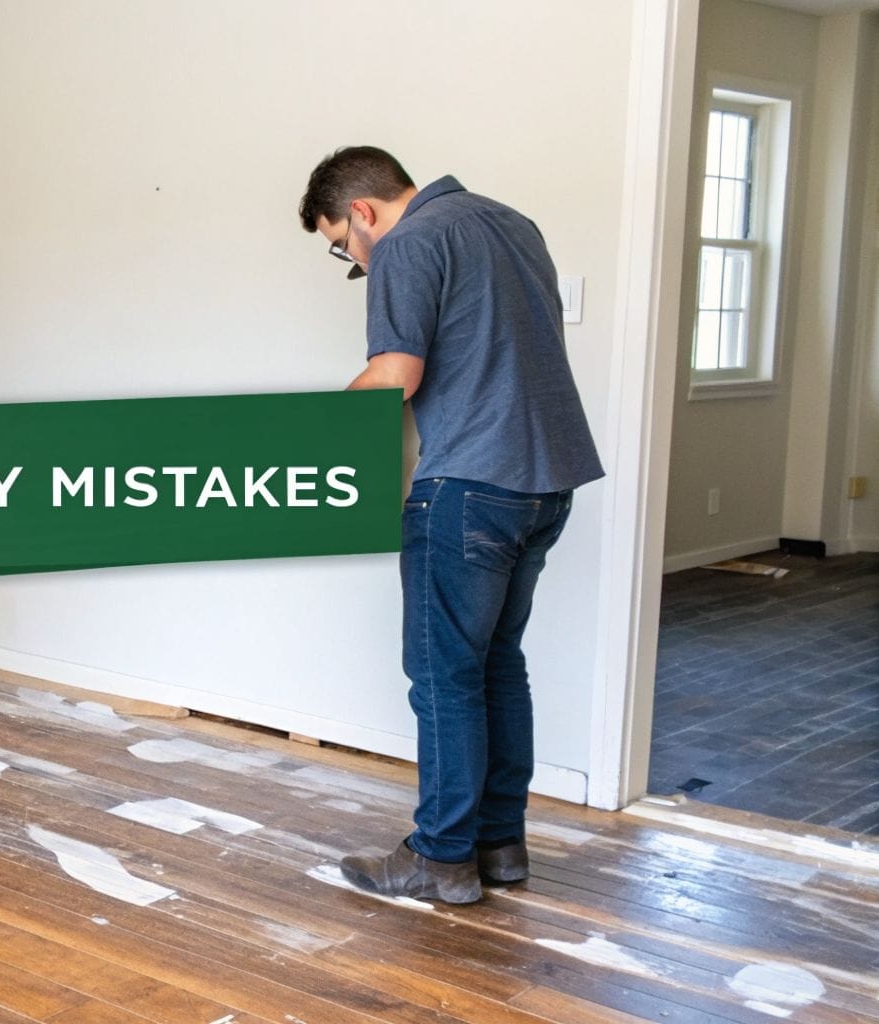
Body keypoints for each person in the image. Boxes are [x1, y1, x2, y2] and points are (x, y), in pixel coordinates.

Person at [297, 147, 604, 904]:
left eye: (342, 244)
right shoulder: (510, 222)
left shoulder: (407, 243)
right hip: (546, 482)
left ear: (362, 213)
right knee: (498, 664)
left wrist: (298, 437)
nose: (355, 259)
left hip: (469, 483)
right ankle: (499, 845)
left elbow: (395, 378)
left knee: (444, 677)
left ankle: (440, 857)